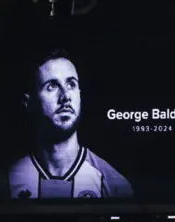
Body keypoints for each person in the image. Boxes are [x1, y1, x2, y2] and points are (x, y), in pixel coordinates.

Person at [8, 49, 133, 199]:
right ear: (28, 103)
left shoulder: (114, 185)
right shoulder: (7, 180)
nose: (66, 96)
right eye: (52, 86)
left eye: (71, 84)